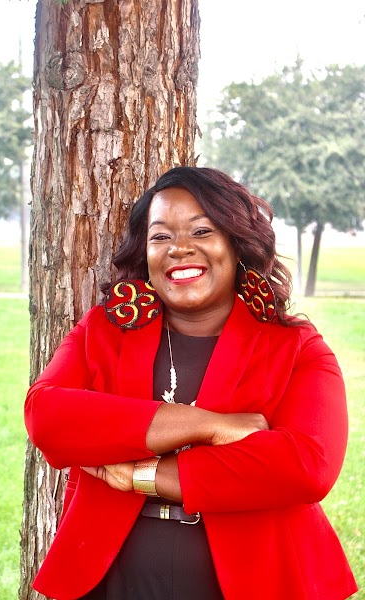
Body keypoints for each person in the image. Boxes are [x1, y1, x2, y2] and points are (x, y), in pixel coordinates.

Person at [24, 166, 358, 600]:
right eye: (160, 236)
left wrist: (143, 475)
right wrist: (210, 426)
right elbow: (46, 417)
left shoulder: (294, 346)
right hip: (109, 580)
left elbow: (307, 466)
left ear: (236, 244)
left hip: (256, 580)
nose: (179, 249)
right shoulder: (105, 332)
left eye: (202, 231)